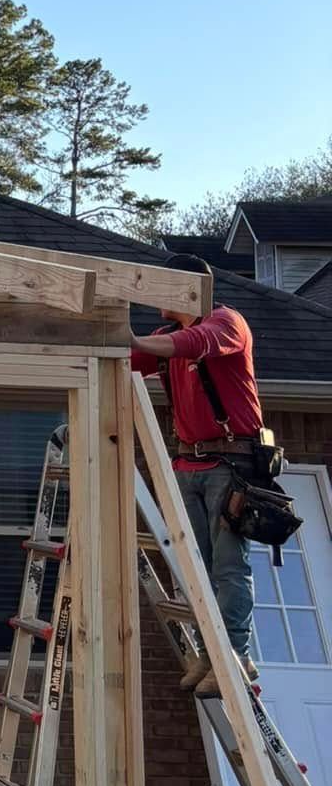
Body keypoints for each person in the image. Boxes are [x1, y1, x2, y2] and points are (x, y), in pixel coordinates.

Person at [129, 255, 265, 698]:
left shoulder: (225, 323)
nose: (155, 296)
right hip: (188, 465)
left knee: (228, 566)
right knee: (196, 571)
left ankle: (234, 655)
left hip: (231, 464)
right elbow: (128, 360)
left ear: (189, 287)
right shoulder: (166, 337)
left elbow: (192, 345)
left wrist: (129, 337)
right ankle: (211, 654)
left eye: (164, 286)